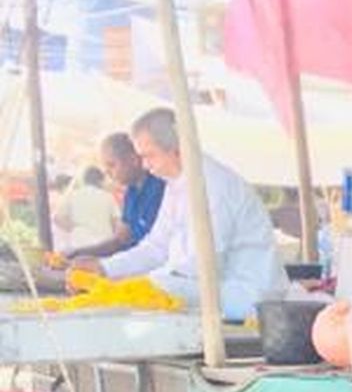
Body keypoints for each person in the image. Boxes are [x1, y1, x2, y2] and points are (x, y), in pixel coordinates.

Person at [94, 109, 286, 318]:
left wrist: (136, 283)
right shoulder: (176, 183)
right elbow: (157, 246)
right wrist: (104, 268)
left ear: (176, 150)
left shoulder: (213, 185)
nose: (146, 166)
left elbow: (201, 264)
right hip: (209, 292)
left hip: (246, 299)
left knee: (139, 297)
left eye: (148, 156)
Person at [65, 133, 166, 262]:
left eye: (111, 165)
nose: (107, 172)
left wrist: (105, 266)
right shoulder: (131, 192)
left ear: (133, 160)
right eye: (105, 167)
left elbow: (157, 249)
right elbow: (120, 240)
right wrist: (79, 253)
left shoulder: (160, 187)